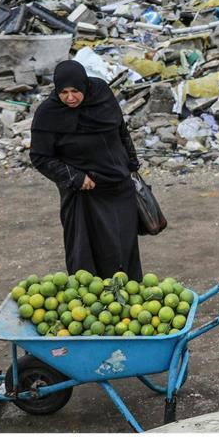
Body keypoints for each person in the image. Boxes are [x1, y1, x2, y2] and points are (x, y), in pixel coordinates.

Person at [30, 60, 143, 280]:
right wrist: (75, 177)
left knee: (122, 249)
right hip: (83, 194)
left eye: (75, 91)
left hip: (118, 187)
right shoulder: (48, 113)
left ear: (85, 86)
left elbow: (120, 130)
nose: (70, 98)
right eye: (63, 92)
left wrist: (131, 163)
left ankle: (127, 304)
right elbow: (40, 157)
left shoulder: (101, 94)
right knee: (85, 253)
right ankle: (90, 303)